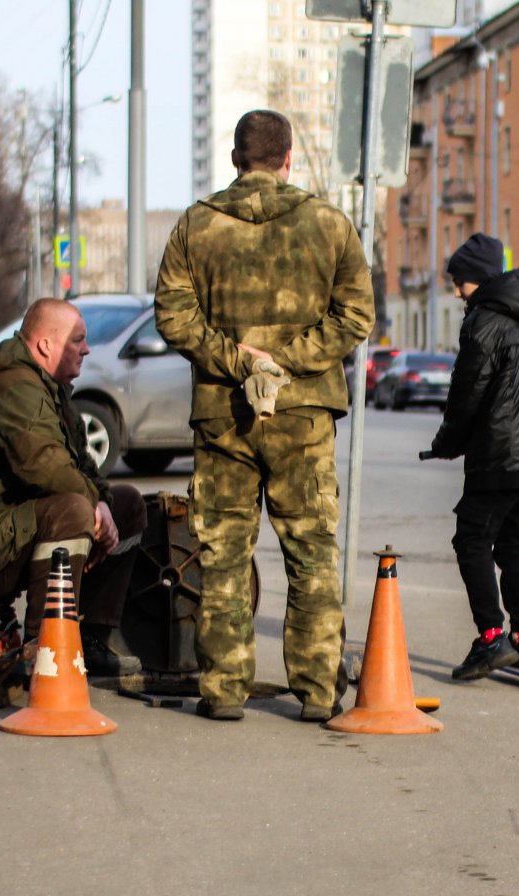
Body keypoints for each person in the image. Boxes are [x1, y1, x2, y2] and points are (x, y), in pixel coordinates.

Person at [154, 108, 374, 722]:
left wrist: (239, 359)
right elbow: (356, 317)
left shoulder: (197, 226)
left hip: (224, 416)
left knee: (221, 552)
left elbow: (173, 316)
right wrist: (285, 360)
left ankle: (222, 690)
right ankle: (316, 691)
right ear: (289, 157)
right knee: (311, 553)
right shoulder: (329, 224)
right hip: (304, 418)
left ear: (234, 159)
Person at [0, 298, 146, 676]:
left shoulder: (50, 389)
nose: (87, 349)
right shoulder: (15, 388)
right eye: (78, 340)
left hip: (0, 535)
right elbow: (45, 467)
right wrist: (92, 505)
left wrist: (103, 501)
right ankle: (45, 651)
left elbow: (82, 464)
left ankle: (93, 636)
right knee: (73, 510)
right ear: (45, 346)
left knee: (127, 504)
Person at [422, 233, 519, 681]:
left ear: (477, 280)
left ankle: (490, 638)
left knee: (471, 540)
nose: (457, 291)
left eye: (459, 282)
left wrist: (446, 442)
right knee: (513, 544)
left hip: (498, 454)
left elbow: (467, 393)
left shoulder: (484, 321)